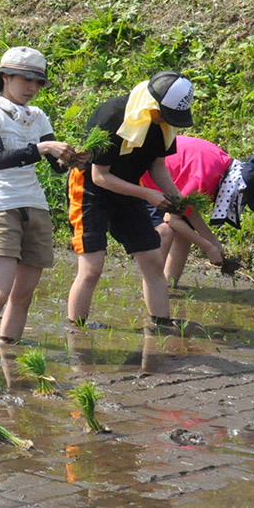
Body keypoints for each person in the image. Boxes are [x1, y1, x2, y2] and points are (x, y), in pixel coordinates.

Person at [0, 47, 78, 355]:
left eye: (38, 83)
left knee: (23, 295)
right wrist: (43, 149)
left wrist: (73, 157)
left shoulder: (38, 117)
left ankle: (8, 354)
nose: (32, 88)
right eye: (26, 80)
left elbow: (56, 168)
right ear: (4, 77)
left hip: (35, 208)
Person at [66, 71, 195, 328]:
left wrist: (175, 196)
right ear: (152, 103)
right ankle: (76, 329)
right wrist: (148, 194)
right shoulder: (113, 117)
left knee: (152, 260)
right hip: (91, 188)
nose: (167, 120)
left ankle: (162, 324)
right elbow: (100, 176)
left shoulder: (162, 125)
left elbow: (157, 166)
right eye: (165, 113)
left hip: (128, 189)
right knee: (92, 267)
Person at [139, 135, 254, 285]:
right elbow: (172, 218)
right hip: (144, 174)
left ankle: (169, 286)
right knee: (166, 230)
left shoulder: (221, 168)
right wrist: (208, 247)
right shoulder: (205, 177)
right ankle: (153, 287)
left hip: (165, 175)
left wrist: (213, 242)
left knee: (185, 231)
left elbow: (189, 212)